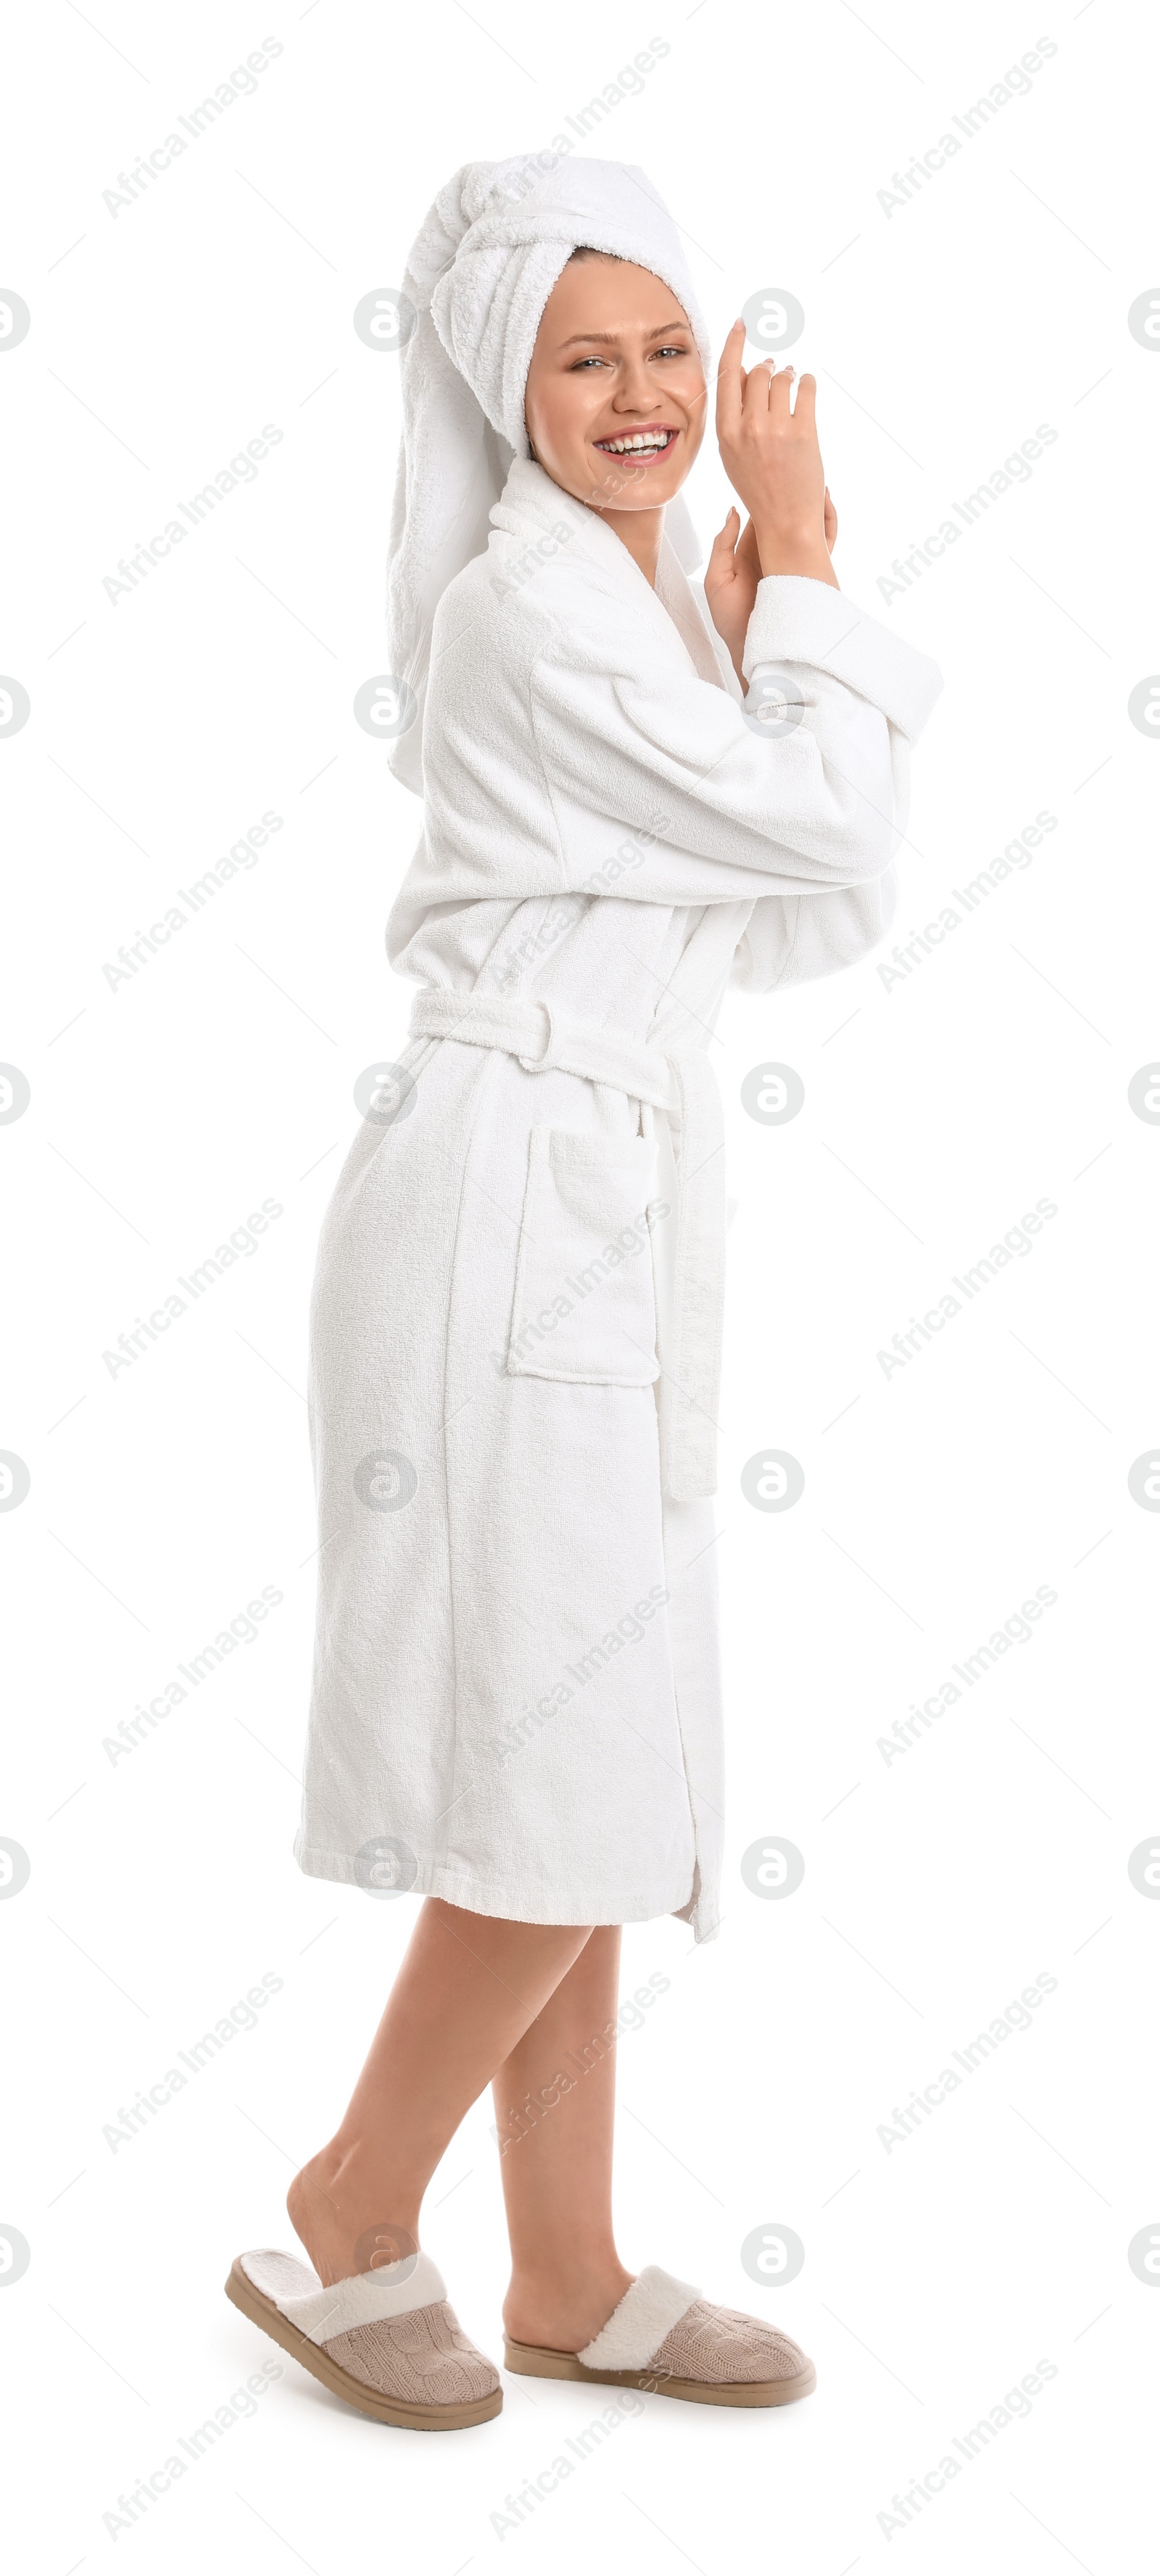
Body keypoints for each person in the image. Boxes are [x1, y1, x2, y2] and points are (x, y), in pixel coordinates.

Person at [226, 153, 941, 2430]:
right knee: (568, 1772)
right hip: (508, 1207)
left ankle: (568, 2265)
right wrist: (807, 564)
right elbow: (822, 830)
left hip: (595, 1194)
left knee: (598, 1777)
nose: (645, 398)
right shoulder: (529, 616)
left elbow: (799, 914)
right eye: (588, 361)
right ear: (499, 387)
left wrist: (746, 643)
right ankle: (354, 2199)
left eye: (667, 351)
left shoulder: (635, 615)